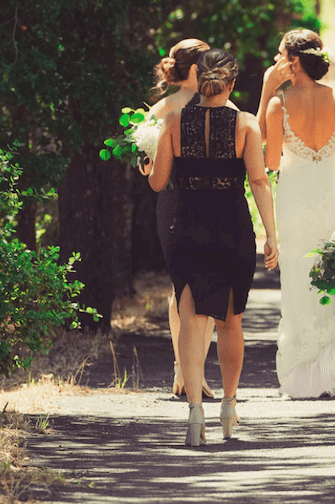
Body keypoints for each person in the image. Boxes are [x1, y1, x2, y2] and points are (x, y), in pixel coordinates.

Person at [148, 49, 279, 446]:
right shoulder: (246, 125)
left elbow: (157, 183)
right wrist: (271, 235)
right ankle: (229, 404)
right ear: (232, 83)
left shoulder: (172, 121)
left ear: (197, 79)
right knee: (230, 320)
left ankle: (193, 412)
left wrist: (151, 159)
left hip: (185, 224)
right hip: (231, 227)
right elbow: (259, 181)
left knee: (190, 316)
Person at [260, 29, 335, 398]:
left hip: (295, 203)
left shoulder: (278, 104)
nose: (276, 62)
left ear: (293, 61)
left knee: (298, 284)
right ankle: (332, 374)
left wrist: (266, 91)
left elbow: (271, 159)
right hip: (334, 200)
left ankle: (302, 378)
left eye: (280, 55)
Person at [143, 39, 217, 399]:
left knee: (183, 287)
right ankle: (190, 371)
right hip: (190, 200)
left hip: (176, 199)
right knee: (196, 285)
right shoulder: (214, 105)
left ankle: (186, 371)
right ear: (193, 70)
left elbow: (144, 166)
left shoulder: (159, 109)